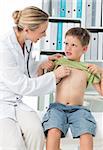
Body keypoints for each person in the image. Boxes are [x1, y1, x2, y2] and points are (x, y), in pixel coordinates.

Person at [0, 6, 71, 150]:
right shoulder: (4, 48)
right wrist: (54, 76)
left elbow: (26, 68)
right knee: (15, 145)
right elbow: (22, 85)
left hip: (16, 102)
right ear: (27, 30)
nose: (44, 35)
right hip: (2, 102)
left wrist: (43, 62)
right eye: (42, 31)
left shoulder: (27, 41)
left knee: (36, 132)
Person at [41, 27, 103, 150]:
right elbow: (40, 80)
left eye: (73, 45)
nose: (68, 48)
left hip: (78, 110)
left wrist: (102, 72)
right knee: (53, 131)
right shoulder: (58, 63)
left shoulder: (88, 69)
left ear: (84, 49)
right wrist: (43, 66)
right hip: (57, 108)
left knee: (86, 134)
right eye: (66, 44)